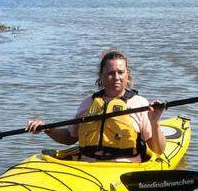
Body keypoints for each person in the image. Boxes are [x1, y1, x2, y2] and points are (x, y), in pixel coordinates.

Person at [27, 49, 165, 162]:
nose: (116, 77)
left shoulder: (140, 104)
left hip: (123, 169)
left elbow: (158, 150)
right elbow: (70, 137)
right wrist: (46, 128)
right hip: (87, 168)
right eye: (111, 73)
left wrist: (155, 122)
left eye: (121, 72)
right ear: (101, 76)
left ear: (127, 74)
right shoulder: (88, 103)